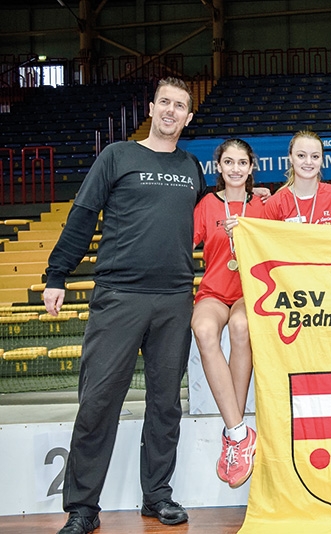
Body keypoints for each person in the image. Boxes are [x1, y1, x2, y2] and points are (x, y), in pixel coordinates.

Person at [43, 77, 201, 534]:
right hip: (119, 296)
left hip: (174, 298)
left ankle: (157, 496)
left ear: (190, 117)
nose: (171, 111)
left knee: (166, 403)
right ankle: (83, 508)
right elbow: (83, 214)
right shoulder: (117, 155)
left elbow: (212, 222)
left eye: (180, 106)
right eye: (165, 102)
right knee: (98, 402)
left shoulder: (192, 168)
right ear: (152, 108)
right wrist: (57, 274)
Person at [191, 138, 266, 489]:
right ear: (218, 168)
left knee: (241, 326)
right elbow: (184, 241)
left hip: (250, 291)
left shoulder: (264, 205)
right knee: (204, 330)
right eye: (229, 162)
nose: (235, 168)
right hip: (214, 290)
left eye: (242, 162)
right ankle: (239, 431)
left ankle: (234, 434)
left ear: (252, 168)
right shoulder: (206, 204)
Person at [265, 130, 331, 224]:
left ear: (322, 159)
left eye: (315, 156)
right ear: (290, 157)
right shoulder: (275, 203)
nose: (308, 162)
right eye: (301, 155)